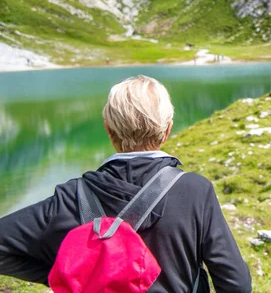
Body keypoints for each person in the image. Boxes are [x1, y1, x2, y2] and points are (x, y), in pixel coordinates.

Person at [0, 75, 252, 292]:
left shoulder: (69, 198)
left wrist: (71, 275)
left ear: (108, 130)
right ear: (167, 130)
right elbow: (237, 285)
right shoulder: (195, 191)